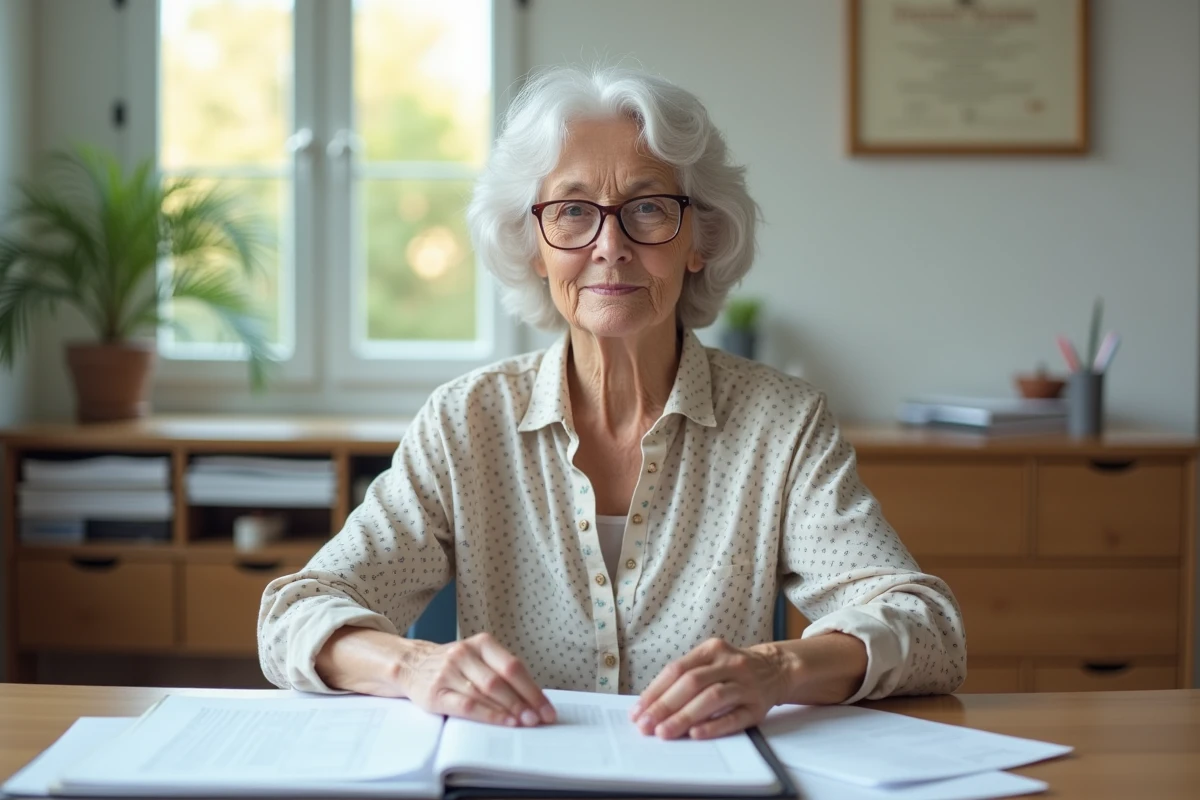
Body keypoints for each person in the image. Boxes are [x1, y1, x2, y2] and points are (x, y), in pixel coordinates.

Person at [258, 65, 965, 742]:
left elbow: (927, 627)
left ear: (701, 238)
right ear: (535, 244)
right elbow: (293, 616)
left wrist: (776, 669)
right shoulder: (466, 422)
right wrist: (414, 665)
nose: (610, 247)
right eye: (572, 212)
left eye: (648, 209)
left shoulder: (781, 424)